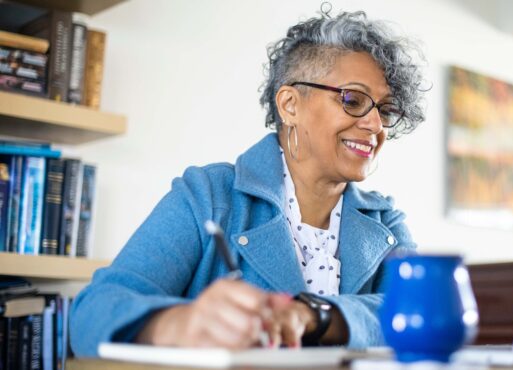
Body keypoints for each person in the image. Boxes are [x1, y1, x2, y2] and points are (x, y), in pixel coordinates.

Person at [70, 6, 426, 356]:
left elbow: (421, 313)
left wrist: (317, 315)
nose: (376, 126)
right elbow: (90, 315)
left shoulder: (385, 222)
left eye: (386, 110)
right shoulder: (207, 195)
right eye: (353, 100)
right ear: (289, 105)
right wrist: (179, 324)